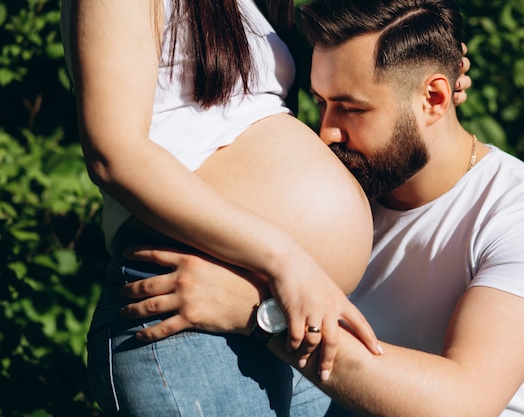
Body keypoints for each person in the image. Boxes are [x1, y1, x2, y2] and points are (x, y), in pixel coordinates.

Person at [120, 0, 524, 416]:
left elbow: (463, 403)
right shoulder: (353, 188)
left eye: (352, 108)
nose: (327, 132)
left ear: (436, 97)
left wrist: (263, 315)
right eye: (322, 102)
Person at [60, 0, 389, 415]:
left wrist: (434, 72)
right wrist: (287, 257)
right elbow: (114, 154)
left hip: (276, 315)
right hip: (188, 313)